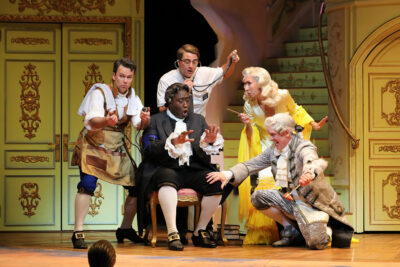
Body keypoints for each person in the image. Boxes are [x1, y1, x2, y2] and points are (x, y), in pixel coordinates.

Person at [207, 113, 354, 250]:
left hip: (311, 204)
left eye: (273, 135)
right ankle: (291, 230)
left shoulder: (303, 146)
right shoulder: (274, 150)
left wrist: (309, 171)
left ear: (286, 133)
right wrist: (227, 174)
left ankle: (326, 227)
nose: (270, 139)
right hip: (290, 200)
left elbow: (312, 160)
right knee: (258, 197)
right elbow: (251, 164)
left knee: (316, 243)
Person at [236, 66, 328, 245]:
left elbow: (296, 112)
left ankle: (307, 228)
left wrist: (314, 124)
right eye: (244, 84)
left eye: (249, 83)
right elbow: (252, 132)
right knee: (264, 184)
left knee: (294, 182)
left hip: (288, 143)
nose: (245, 87)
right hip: (266, 145)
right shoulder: (249, 104)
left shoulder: (283, 95)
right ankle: (287, 228)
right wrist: (247, 125)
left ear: (261, 83)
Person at [71, 58, 150, 249]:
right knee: (87, 184)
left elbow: (138, 125)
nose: (125, 80)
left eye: (129, 77)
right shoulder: (100, 93)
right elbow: (90, 122)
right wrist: (106, 121)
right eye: (121, 76)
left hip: (116, 148)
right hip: (94, 144)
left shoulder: (132, 97)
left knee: (136, 185)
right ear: (114, 76)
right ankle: (78, 231)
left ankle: (125, 228)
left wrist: (145, 120)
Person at [136, 83, 224, 251]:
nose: (185, 104)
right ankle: (173, 232)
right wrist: (172, 143)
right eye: (180, 100)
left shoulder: (198, 120)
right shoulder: (155, 120)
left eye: (187, 100)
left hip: (192, 168)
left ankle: (200, 231)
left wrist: (210, 142)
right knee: (166, 179)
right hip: (166, 167)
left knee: (215, 181)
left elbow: (204, 149)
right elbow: (149, 150)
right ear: (169, 101)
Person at [157, 44, 240, 116]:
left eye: (194, 62)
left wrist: (231, 62)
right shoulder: (166, 80)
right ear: (178, 62)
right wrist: (181, 94)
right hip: (175, 127)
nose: (191, 66)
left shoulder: (204, 73)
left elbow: (224, 73)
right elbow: (162, 109)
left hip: (199, 125)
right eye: (187, 61)